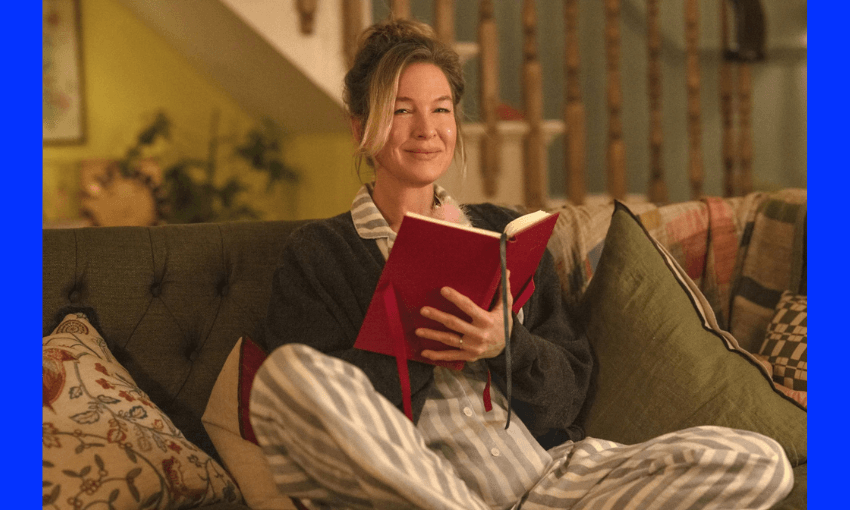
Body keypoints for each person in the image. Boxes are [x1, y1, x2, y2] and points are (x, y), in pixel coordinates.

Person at [249, 18, 793, 510]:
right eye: (400, 109)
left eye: (441, 109)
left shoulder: (503, 232)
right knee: (289, 375)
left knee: (761, 462)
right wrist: (424, 347)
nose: (426, 130)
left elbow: (568, 396)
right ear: (359, 126)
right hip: (432, 485)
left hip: (556, 480)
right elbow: (326, 420)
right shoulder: (320, 253)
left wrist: (505, 344)